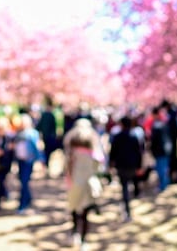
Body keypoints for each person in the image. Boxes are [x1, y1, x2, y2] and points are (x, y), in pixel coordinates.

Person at [64, 121, 104, 251]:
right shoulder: (93, 153)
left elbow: (67, 167)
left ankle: (75, 233)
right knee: (86, 213)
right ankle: (83, 240)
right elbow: (99, 167)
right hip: (88, 183)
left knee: (75, 210)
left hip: (74, 182)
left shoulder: (72, 153)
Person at [108, 115, 143, 221]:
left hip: (122, 166)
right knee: (129, 185)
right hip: (131, 165)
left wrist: (111, 164)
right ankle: (127, 208)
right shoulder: (134, 137)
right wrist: (139, 166)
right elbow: (139, 153)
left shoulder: (117, 137)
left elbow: (112, 152)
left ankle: (126, 209)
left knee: (124, 187)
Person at [13, 113, 41, 214]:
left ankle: (23, 203)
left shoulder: (32, 133)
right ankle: (28, 199)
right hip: (20, 160)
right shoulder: (18, 133)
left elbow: (37, 148)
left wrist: (40, 160)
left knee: (24, 181)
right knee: (22, 181)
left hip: (28, 161)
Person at [149, 106, 172, 192]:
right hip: (167, 149)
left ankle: (163, 186)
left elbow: (154, 140)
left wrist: (152, 150)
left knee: (161, 169)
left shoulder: (155, 126)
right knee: (165, 168)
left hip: (160, 150)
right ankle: (165, 183)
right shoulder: (164, 124)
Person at [37, 97, 59, 177]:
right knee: (47, 153)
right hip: (49, 137)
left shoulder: (44, 115)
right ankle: (46, 166)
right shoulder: (50, 115)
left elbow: (39, 126)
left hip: (46, 137)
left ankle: (45, 166)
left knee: (46, 152)